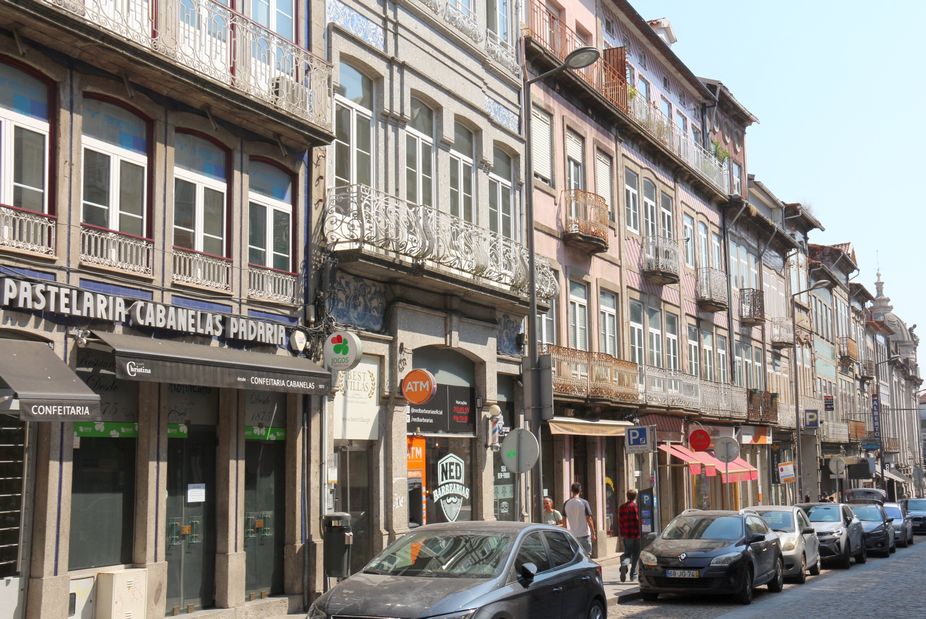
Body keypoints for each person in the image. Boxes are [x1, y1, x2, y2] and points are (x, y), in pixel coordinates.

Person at [563, 482, 596, 557]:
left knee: (575, 557)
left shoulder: (566, 503)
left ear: (571, 491)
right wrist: (593, 533)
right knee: (586, 557)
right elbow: (589, 519)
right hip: (584, 534)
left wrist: (566, 533)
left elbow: (564, 520)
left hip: (572, 535)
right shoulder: (584, 502)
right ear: (580, 491)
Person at [618, 489, 642, 582]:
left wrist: (622, 533)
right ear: (635, 497)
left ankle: (624, 564)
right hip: (636, 534)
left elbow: (620, 521)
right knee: (636, 554)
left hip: (626, 534)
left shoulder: (622, 507)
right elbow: (638, 520)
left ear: (627, 496)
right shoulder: (636, 507)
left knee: (627, 553)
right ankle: (633, 575)